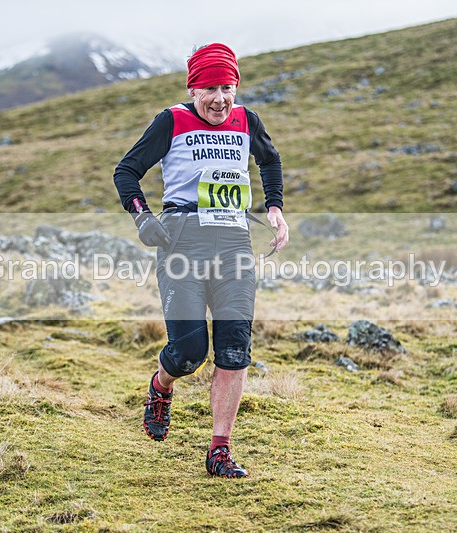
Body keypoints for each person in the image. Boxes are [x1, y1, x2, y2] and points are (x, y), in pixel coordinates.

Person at [113, 43, 289, 478]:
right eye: (210, 87)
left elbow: (269, 160)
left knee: (234, 350)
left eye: (227, 87)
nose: (219, 98)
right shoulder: (171, 121)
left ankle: (220, 450)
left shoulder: (247, 121)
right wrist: (142, 217)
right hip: (182, 244)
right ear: (193, 88)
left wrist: (275, 208)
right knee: (189, 353)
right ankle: (161, 384)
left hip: (233, 245)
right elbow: (126, 171)